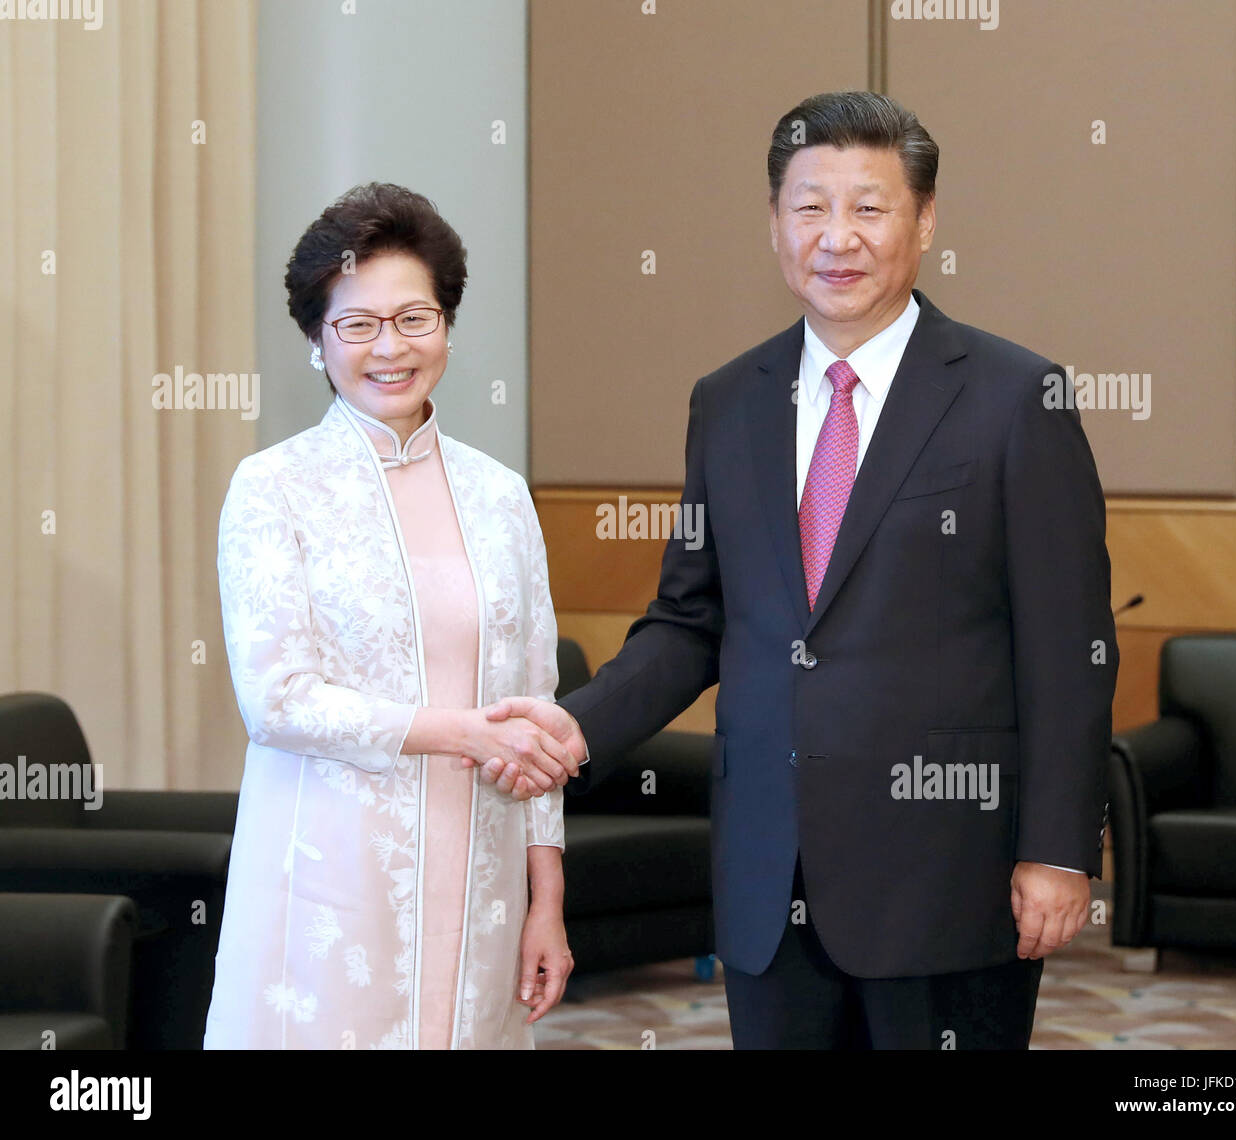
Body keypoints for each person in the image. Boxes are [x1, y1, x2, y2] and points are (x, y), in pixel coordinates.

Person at [485, 91, 1118, 1049]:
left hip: (947, 877)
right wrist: (576, 727)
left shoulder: (1016, 398)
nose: (838, 237)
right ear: (775, 223)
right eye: (810, 207)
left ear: (926, 220)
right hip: (767, 877)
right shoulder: (728, 401)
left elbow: (1070, 649)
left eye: (870, 208)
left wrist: (1059, 851)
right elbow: (691, 621)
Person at [204, 182, 579, 1050]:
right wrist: (465, 733)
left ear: (447, 324)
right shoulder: (274, 489)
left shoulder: (500, 496)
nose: (389, 348)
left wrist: (546, 900)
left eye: (414, 318)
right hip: (332, 881)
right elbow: (278, 701)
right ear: (315, 338)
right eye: (357, 324)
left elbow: (536, 708)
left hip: (483, 882)